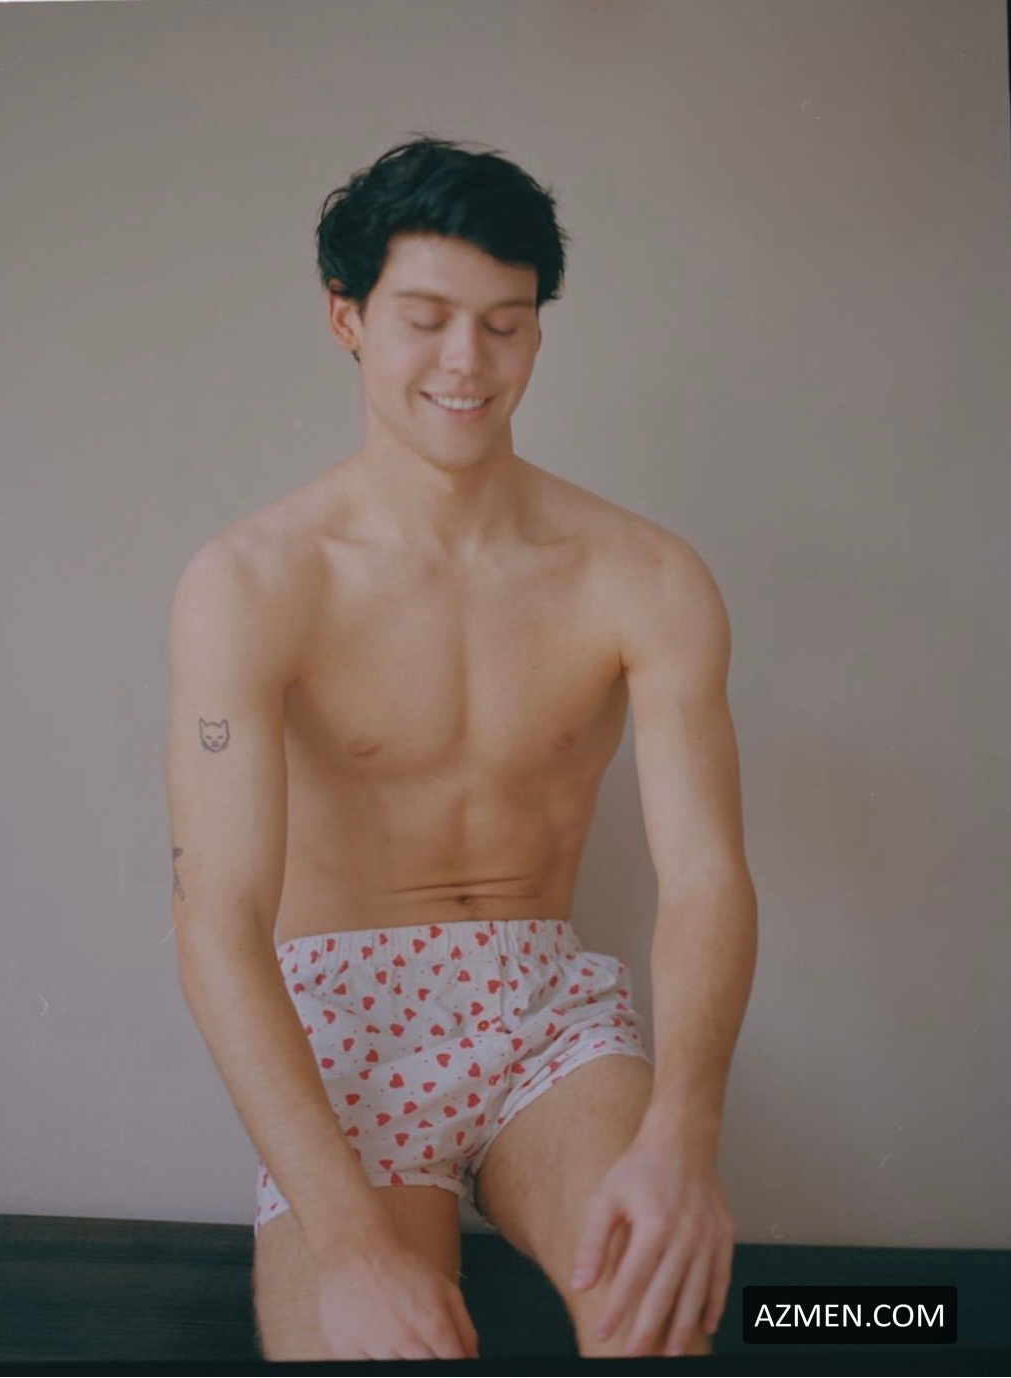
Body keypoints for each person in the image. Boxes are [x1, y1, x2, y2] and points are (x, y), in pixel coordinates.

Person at [164, 135, 758, 1361]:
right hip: (339, 1023)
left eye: (504, 324)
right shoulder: (252, 583)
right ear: (346, 316)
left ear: (537, 329)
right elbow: (216, 917)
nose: (466, 362)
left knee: (658, 1324)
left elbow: (706, 876)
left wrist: (683, 1135)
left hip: (547, 1010)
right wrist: (349, 1244)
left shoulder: (644, 575)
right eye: (425, 319)